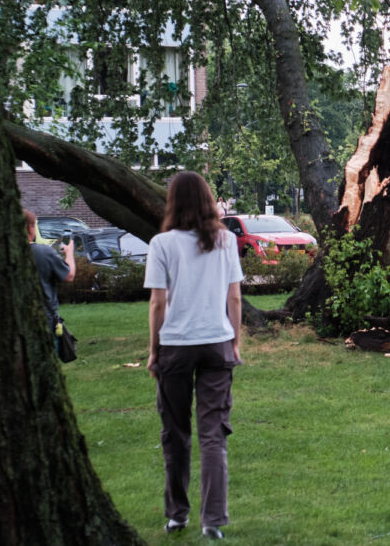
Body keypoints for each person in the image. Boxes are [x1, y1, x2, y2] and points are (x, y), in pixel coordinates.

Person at [144, 171, 244, 540]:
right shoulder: (226, 241)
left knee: (175, 432)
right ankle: (212, 521)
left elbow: (158, 302)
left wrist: (154, 349)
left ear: (173, 202)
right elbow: (234, 298)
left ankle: (177, 515)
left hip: (175, 345)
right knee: (213, 435)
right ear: (208, 200)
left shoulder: (162, 243)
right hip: (217, 342)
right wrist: (235, 341)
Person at [24, 209, 76, 339]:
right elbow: (69, 275)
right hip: (44, 317)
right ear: (30, 228)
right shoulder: (43, 252)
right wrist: (69, 252)